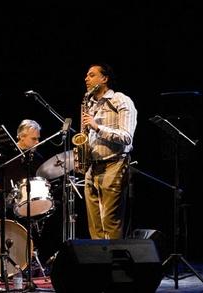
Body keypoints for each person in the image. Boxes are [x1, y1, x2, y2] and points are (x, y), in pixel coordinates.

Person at [80, 63, 137, 239]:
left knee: (110, 222)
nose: (86, 79)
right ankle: (99, 263)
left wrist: (97, 127)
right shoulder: (89, 103)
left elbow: (127, 137)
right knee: (95, 225)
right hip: (92, 167)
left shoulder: (120, 100)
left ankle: (114, 263)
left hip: (114, 164)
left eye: (91, 75)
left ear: (104, 79)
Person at [0, 119, 44, 219]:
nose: (37, 142)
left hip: (27, 206)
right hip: (3, 204)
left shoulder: (37, 158)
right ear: (21, 137)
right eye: (34, 139)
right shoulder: (4, 152)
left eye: (38, 139)